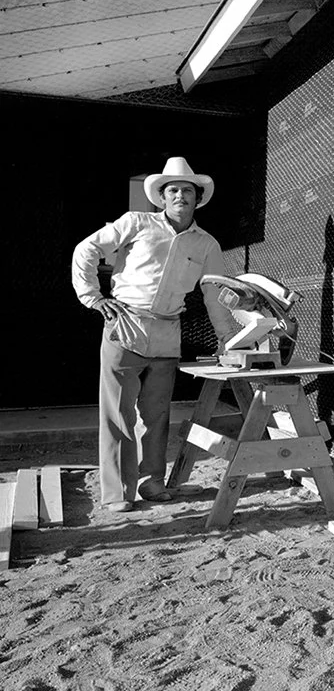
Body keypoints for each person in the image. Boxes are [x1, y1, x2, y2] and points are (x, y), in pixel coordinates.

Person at [72, 157, 234, 512]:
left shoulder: (207, 245)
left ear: (198, 198)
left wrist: (227, 338)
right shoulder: (135, 223)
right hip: (125, 325)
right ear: (162, 197)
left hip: (167, 330)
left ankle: (152, 482)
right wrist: (93, 298)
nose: (180, 195)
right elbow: (86, 250)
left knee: (157, 413)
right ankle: (117, 493)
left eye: (187, 190)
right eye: (172, 190)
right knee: (117, 413)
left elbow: (214, 293)